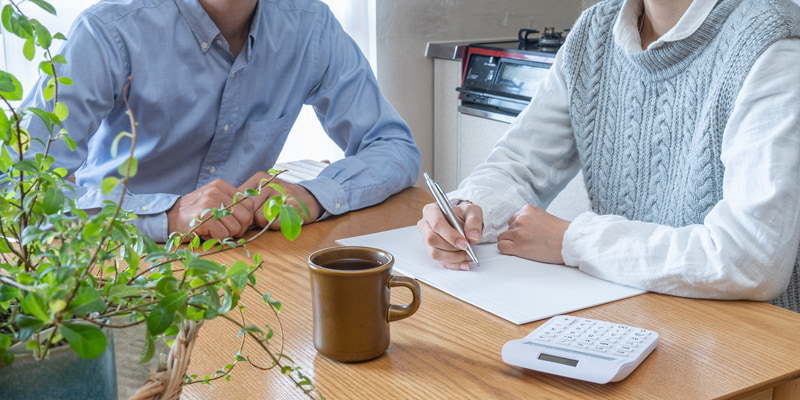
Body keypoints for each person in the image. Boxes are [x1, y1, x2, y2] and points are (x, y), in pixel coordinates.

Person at [417, 0, 800, 312]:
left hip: (750, 347)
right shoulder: (595, 30)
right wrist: (468, 209)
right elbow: (519, 165)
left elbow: (753, 257)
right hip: (629, 309)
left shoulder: (770, 41)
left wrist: (575, 240)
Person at [18, 0, 421, 242]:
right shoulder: (109, 30)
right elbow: (18, 190)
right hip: (116, 264)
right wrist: (167, 216)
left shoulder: (310, 25)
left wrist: (314, 195)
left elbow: (393, 145)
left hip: (243, 264)